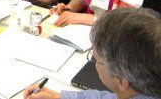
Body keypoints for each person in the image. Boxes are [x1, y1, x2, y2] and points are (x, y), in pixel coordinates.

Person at [24, 7, 161, 99]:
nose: (94, 62)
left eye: (95, 59)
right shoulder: (139, 89)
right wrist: (59, 97)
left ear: (121, 81)